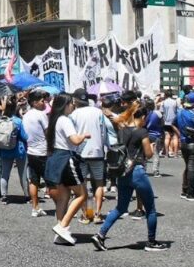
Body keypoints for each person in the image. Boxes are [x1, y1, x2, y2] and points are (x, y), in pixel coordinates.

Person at [91, 100, 167, 252]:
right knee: (150, 208)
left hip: (123, 172)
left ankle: (100, 234)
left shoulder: (122, 130)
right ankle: (152, 242)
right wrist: (151, 147)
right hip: (137, 171)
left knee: (120, 208)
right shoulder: (142, 132)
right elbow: (148, 154)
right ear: (143, 116)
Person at [44, 93, 89, 246]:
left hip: (55, 158)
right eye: (71, 103)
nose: (73, 106)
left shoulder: (54, 120)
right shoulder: (65, 120)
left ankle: (61, 230)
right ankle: (63, 227)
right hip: (66, 158)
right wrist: (84, 135)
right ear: (65, 104)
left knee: (63, 198)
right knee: (82, 194)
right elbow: (75, 140)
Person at [69, 88, 108, 223]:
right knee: (98, 183)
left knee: (82, 184)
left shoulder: (74, 114)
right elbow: (103, 132)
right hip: (97, 151)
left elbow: (72, 134)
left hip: (81, 153)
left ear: (76, 100)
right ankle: (97, 214)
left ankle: (86, 214)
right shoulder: (98, 112)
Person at [21, 89, 50, 217]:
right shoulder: (41, 115)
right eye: (42, 100)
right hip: (42, 151)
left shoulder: (26, 115)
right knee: (52, 180)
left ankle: (35, 207)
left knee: (34, 180)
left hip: (31, 151)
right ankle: (62, 206)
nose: (44, 103)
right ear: (34, 102)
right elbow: (48, 133)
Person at [0, 97, 28, 204]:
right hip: (19, 149)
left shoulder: (0, 120)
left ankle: (4, 195)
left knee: (5, 173)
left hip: (5, 149)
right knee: (22, 173)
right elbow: (24, 136)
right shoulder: (18, 121)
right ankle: (27, 195)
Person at [176, 93, 194, 201]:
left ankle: (184, 190)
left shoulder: (180, 112)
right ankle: (191, 193)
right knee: (192, 168)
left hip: (183, 142)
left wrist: (180, 134)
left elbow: (173, 124)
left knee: (187, 167)